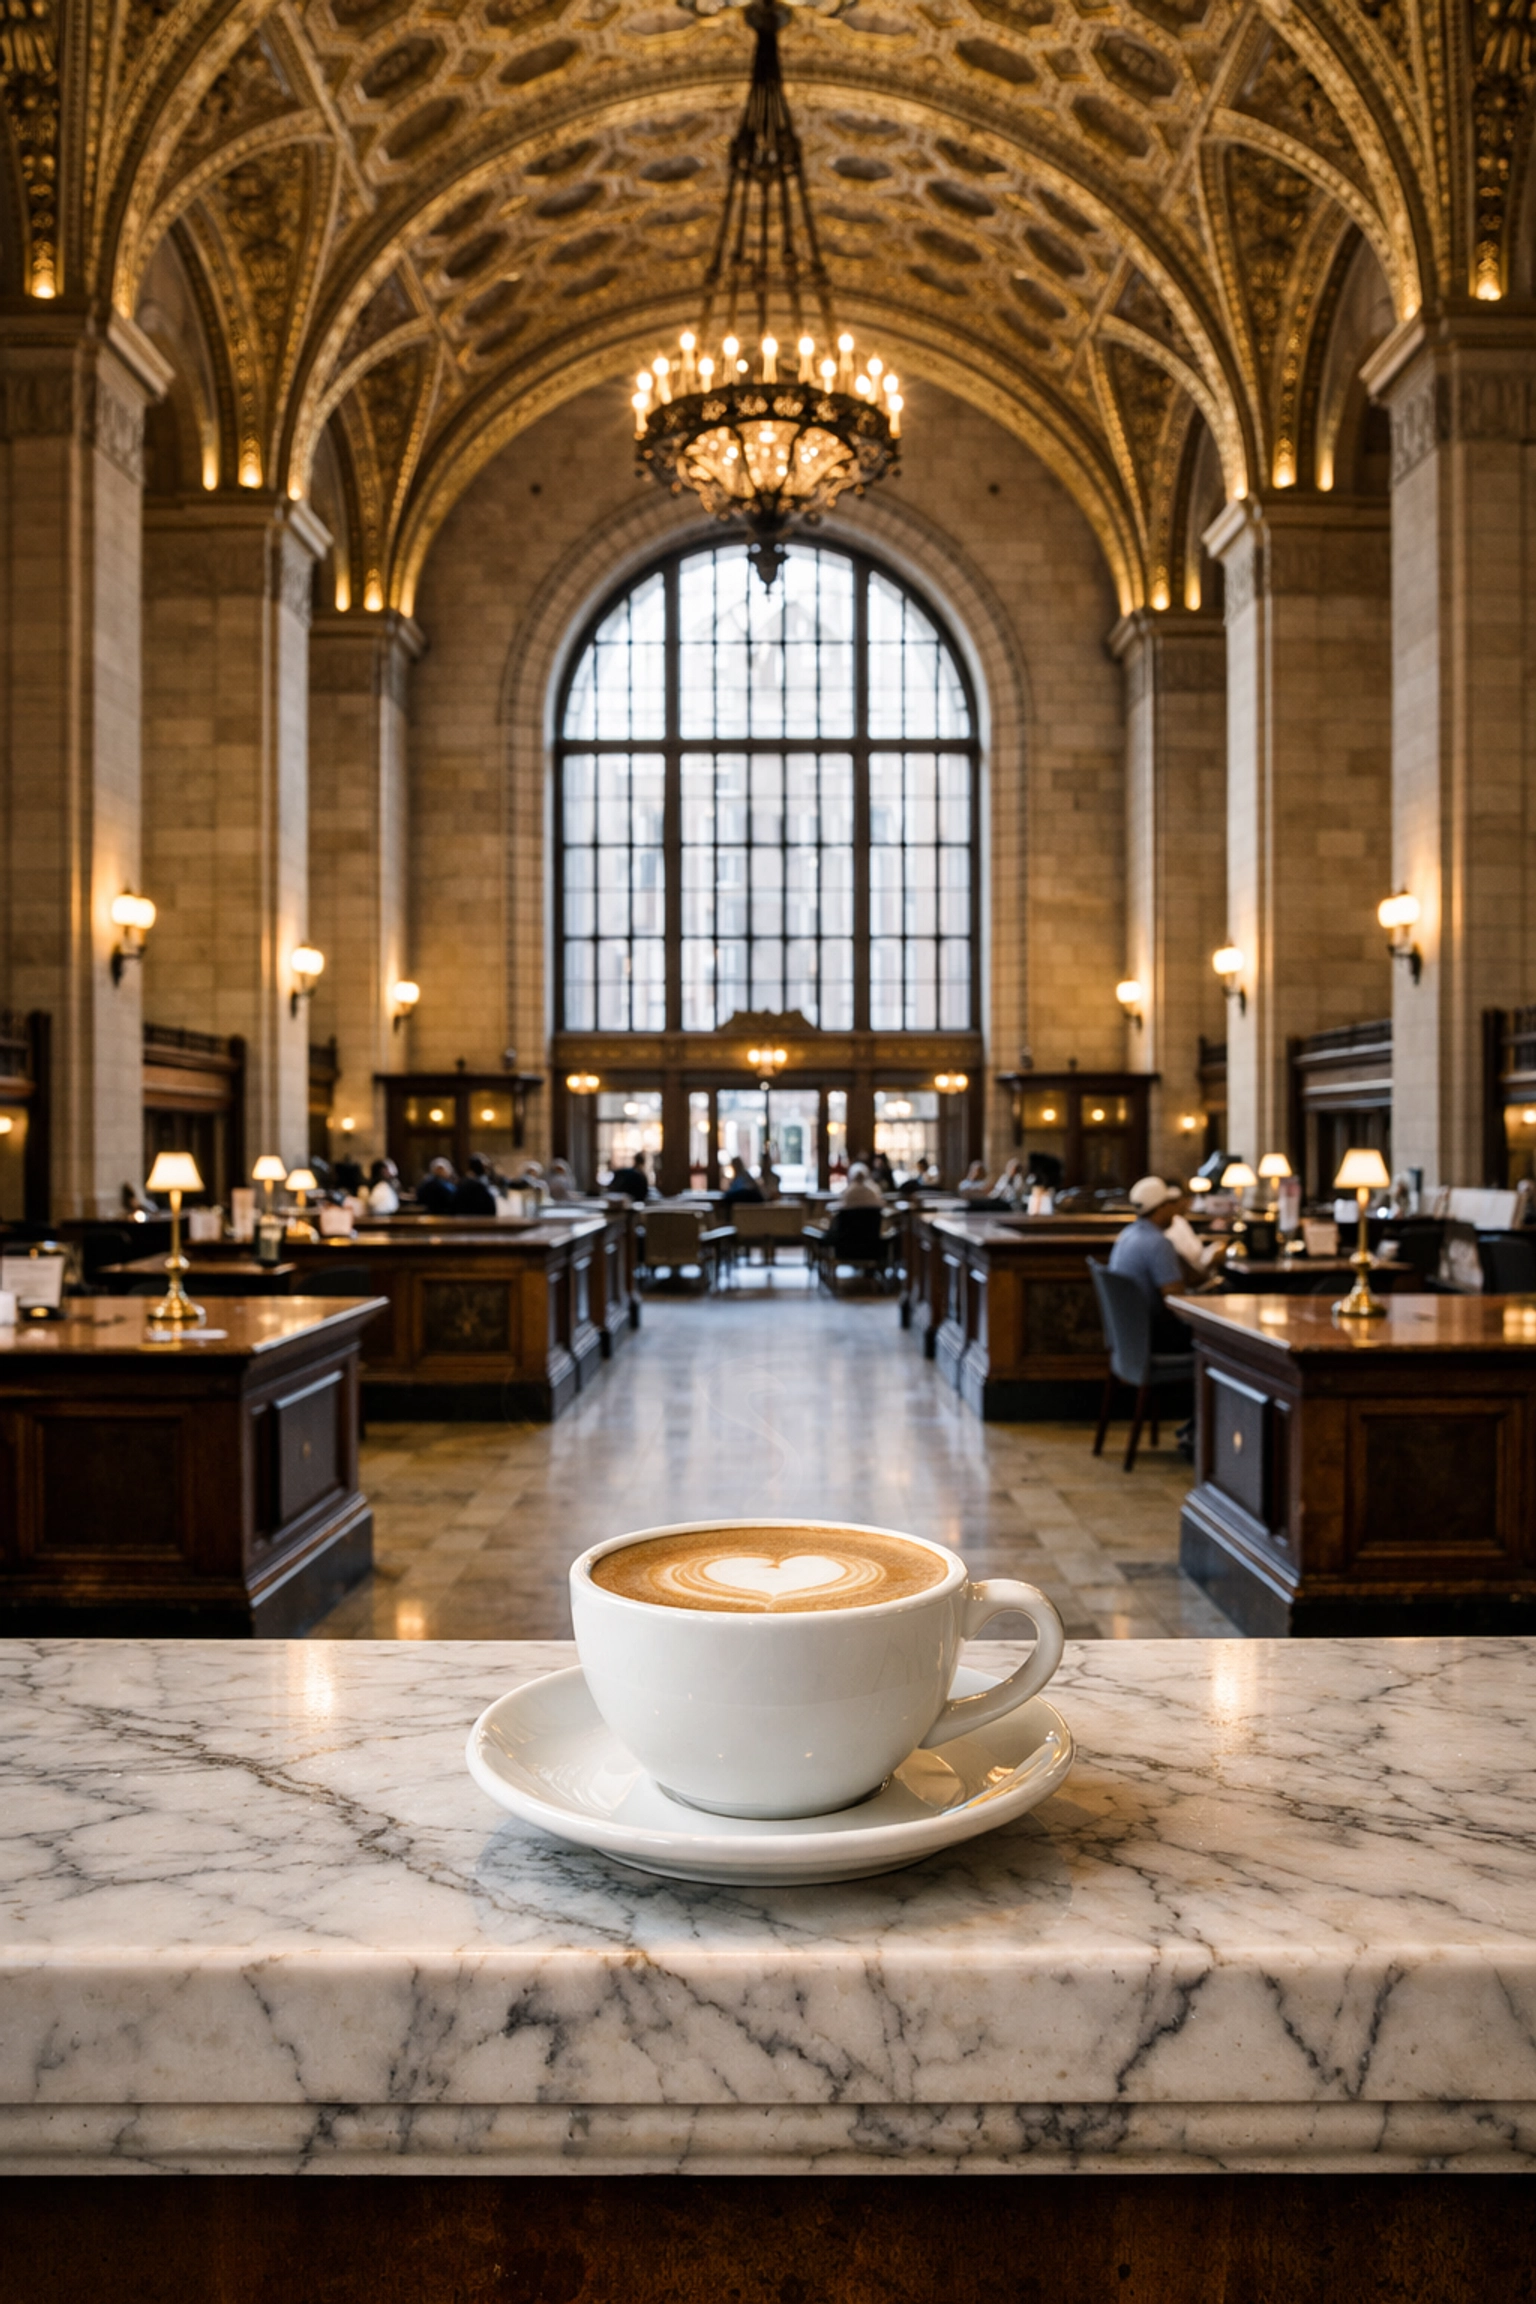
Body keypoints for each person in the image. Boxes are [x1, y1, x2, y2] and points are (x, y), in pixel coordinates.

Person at [1108, 1176, 1210, 1352]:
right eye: (1170, 1204)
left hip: (1129, 1337)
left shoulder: (1126, 1235)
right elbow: (1176, 1302)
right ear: (1161, 1207)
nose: (1174, 1210)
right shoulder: (1158, 1243)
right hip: (1154, 1339)